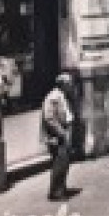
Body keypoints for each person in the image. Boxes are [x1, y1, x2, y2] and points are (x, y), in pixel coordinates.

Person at [41, 72, 77, 201]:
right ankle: (55, 192)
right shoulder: (53, 97)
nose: (71, 86)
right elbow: (49, 118)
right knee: (59, 163)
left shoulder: (63, 96)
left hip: (65, 132)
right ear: (63, 84)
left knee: (65, 162)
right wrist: (61, 132)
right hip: (58, 136)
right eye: (69, 83)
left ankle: (61, 187)